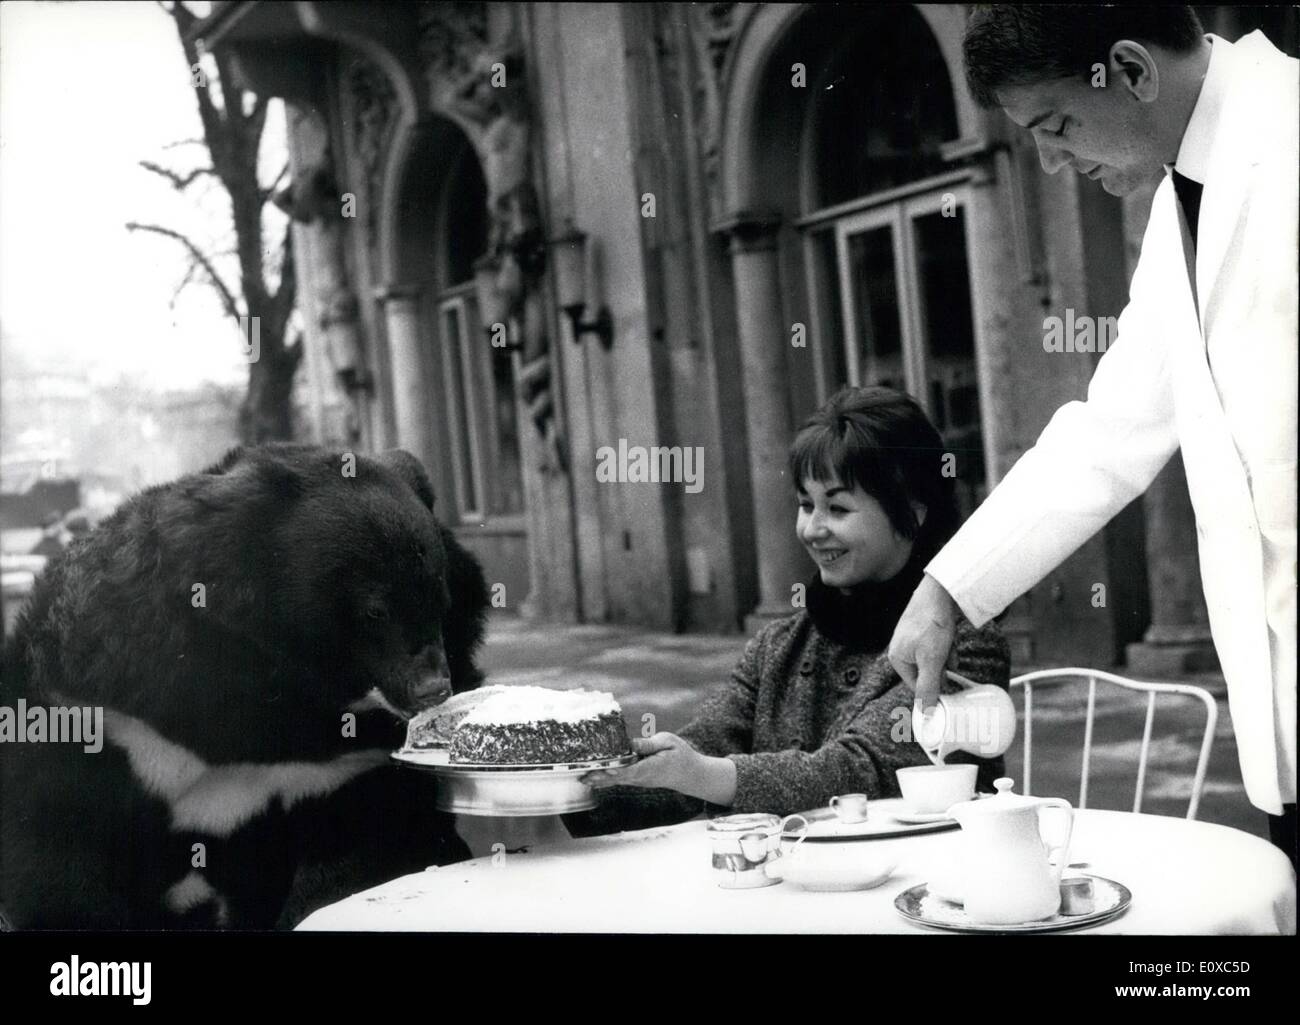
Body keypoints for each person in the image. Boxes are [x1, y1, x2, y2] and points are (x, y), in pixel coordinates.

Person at [887, 6, 1297, 865]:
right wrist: (948, 591)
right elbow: (1108, 432)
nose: (1051, 160)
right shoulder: (1182, 204)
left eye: (1059, 123)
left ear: (1131, 68)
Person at [566, 386, 1010, 837]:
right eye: (805, 505)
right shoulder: (780, 643)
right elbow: (706, 744)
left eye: (837, 508)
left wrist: (697, 772)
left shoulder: (961, 641)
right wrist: (575, 787)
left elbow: (857, 773)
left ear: (910, 515)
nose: (813, 529)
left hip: (917, 888)